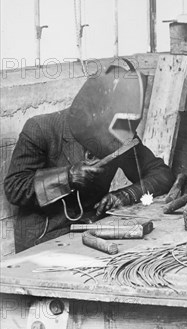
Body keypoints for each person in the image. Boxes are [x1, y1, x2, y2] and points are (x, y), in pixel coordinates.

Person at [4, 61, 175, 253]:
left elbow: (162, 174)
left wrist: (126, 194)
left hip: (93, 230)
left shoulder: (119, 133)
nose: (113, 141)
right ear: (93, 113)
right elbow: (14, 187)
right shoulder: (41, 129)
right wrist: (66, 178)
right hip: (46, 237)